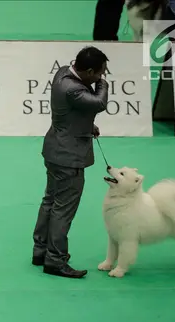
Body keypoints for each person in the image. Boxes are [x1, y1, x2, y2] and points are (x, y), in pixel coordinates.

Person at [32, 46, 109, 279]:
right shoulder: (74, 89)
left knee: (50, 201)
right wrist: (103, 85)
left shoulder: (63, 72)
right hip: (69, 157)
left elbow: (75, 111)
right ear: (87, 71)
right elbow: (98, 103)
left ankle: (40, 250)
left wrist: (86, 125)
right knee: (63, 210)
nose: (101, 77)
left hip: (55, 148)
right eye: (99, 73)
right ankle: (55, 260)